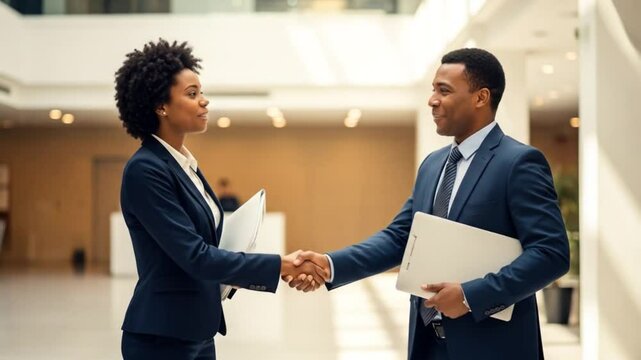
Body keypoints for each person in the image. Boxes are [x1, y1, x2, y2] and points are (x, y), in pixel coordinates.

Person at [289, 48, 569, 360]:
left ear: (481, 97)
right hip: (429, 345)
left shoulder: (518, 163)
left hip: (492, 347)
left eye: (444, 90)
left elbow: (550, 254)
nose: (432, 100)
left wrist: (469, 297)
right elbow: (400, 237)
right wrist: (330, 265)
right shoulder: (433, 165)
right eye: (433, 89)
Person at [114, 39, 324, 360]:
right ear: (161, 106)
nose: (205, 101)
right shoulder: (146, 170)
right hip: (162, 337)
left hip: (198, 329)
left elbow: (208, 246)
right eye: (192, 93)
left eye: (202, 93)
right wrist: (280, 264)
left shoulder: (184, 165)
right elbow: (195, 257)